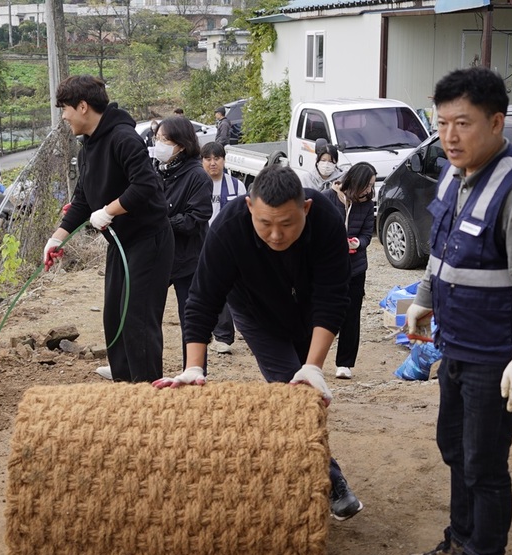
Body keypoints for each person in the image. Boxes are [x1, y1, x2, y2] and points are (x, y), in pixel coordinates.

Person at [403, 67, 512, 555]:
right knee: (453, 446)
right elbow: (442, 249)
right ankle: (460, 538)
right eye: (442, 123)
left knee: (484, 461)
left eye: (462, 123)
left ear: (496, 122)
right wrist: (424, 299)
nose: (449, 135)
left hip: (497, 354)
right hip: (457, 343)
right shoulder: (453, 172)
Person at [152, 164, 364, 522]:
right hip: (256, 313)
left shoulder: (326, 218)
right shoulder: (228, 229)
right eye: (265, 224)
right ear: (250, 207)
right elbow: (202, 301)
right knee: (291, 392)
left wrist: (313, 366)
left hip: (310, 310)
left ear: (306, 209)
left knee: (305, 390)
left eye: (287, 224)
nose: (277, 235)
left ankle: (301, 468)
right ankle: (332, 481)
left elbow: (333, 297)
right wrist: (193, 367)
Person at [44, 75, 174, 383]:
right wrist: (56, 238)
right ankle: (124, 379)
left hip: (149, 240)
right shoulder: (87, 147)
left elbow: (145, 186)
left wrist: (109, 209)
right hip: (121, 243)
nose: (63, 115)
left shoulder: (122, 138)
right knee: (114, 316)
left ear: (83, 106)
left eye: (65, 108)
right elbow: (81, 200)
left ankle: (146, 389)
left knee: (137, 320)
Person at [155, 117, 212, 371]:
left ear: (181, 144)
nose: (159, 145)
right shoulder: (157, 171)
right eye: (157, 139)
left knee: (191, 319)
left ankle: (194, 372)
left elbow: (195, 219)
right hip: (158, 256)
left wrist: (161, 220)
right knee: (145, 313)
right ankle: (141, 367)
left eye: (164, 140)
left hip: (189, 259)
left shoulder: (197, 176)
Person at [323, 162, 376, 379]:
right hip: (329, 266)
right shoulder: (328, 197)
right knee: (323, 312)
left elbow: (367, 233)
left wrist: (358, 243)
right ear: (355, 181)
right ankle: (309, 359)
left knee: (352, 314)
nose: (369, 190)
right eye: (367, 185)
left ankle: (345, 363)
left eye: (372, 186)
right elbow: (317, 227)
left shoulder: (367, 204)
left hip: (356, 268)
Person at [200, 141, 246, 354]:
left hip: (228, 245)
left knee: (228, 288)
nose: (212, 163)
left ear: (223, 160)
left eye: (216, 158)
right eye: (208, 159)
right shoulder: (196, 184)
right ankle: (207, 331)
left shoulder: (237, 186)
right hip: (201, 242)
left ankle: (225, 336)